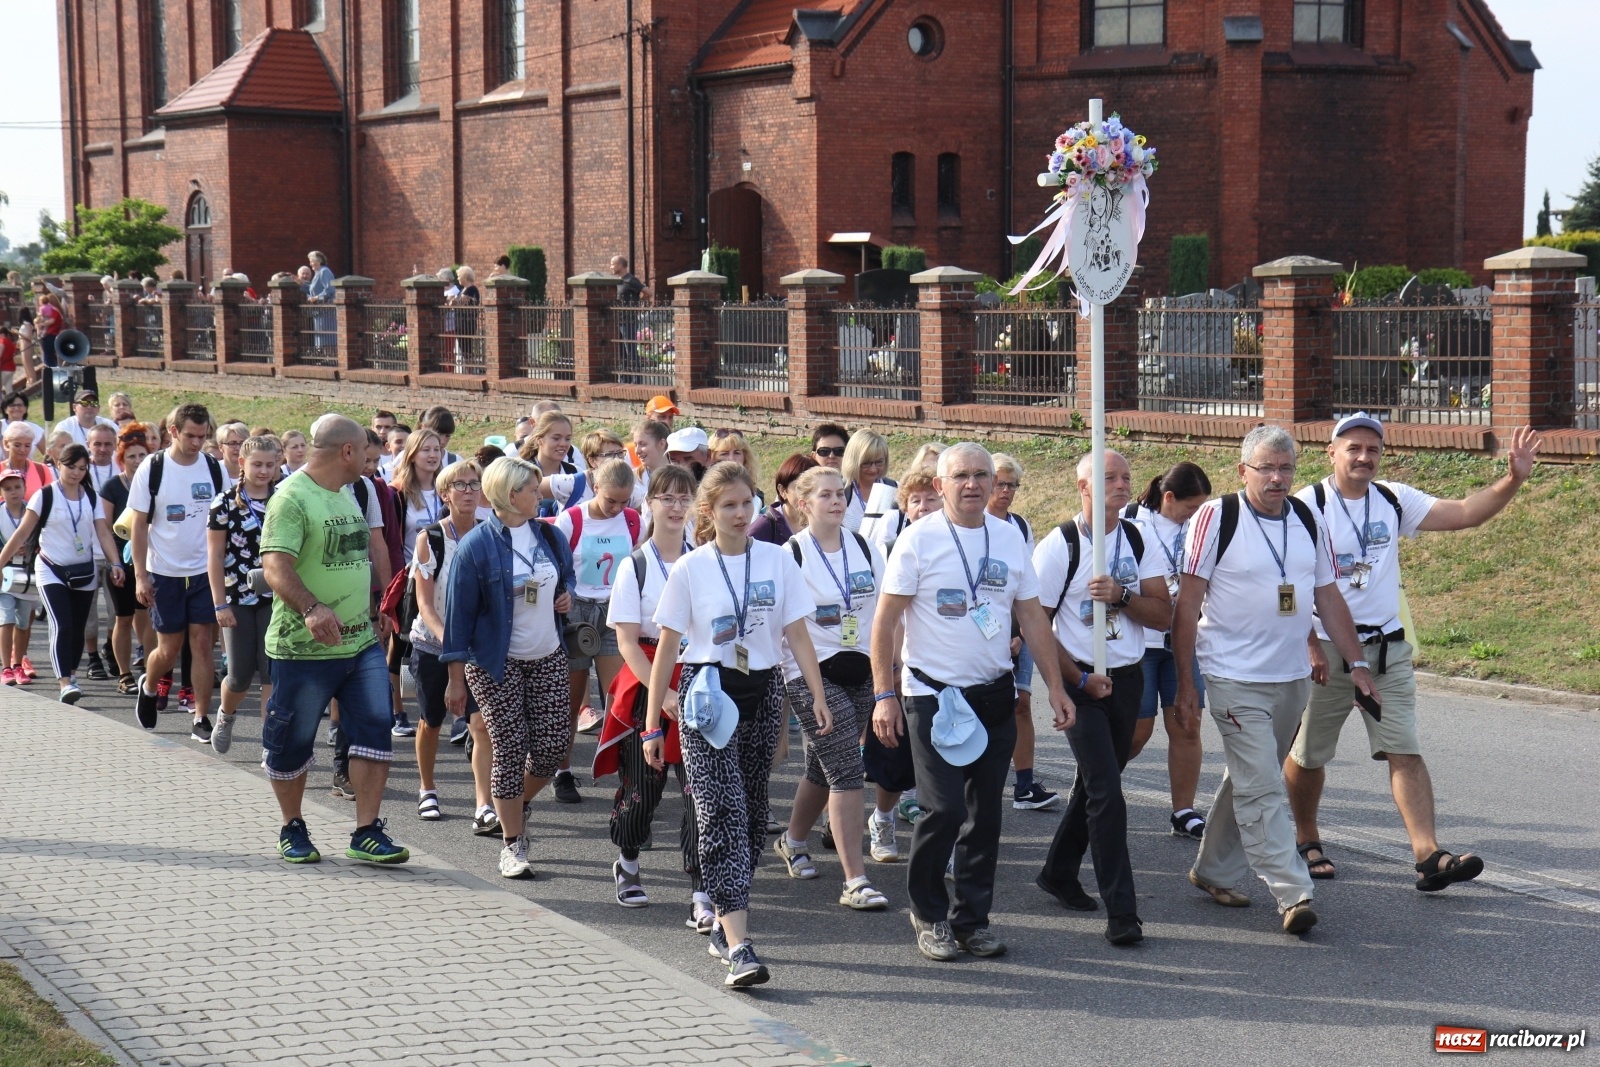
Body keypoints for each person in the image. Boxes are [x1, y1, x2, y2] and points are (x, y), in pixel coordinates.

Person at [1284, 415, 1540, 892]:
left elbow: (1466, 512)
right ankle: (1306, 837)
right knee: (1309, 753)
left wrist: (1512, 479)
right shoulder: (1306, 507)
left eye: (1373, 449)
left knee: (1404, 749)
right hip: (1324, 648)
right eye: (1354, 447)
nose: (1364, 457)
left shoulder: (1392, 499)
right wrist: (1305, 645)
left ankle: (1428, 855)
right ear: (1331, 453)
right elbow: (1288, 583)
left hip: (1387, 651)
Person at [869, 443, 1072, 963]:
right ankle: (928, 913)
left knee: (985, 817)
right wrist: (884, 695)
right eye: (960, 475)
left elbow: (1031, 619)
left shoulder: (1009, 538)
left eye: (982, 475)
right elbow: (885, 623)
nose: (973, 484)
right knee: (944, 808)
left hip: (993, 694)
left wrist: (1055, 685)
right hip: (932, 695)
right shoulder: (917, 542)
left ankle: (972, 920)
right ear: (940, 485)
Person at [1174, 425, 1378, 936]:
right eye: (1265, 468)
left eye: (1285, 468)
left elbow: (1327, 597)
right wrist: (1185, 683)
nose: (1277, 478)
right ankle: (1293, 892)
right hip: (1230, 674)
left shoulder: (1310, 518)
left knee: (1251, 773)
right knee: (1263, 784)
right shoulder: (1216, 517)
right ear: (1243, 470)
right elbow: (1187, 607)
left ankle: (1214, 870)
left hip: (1290, 677)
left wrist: (1356, 664)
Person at [643, 461, 829, 989]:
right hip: (708, 695)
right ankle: (741, 945)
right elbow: (666, 654)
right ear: (709, 512)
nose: (741, 514)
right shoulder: (691, 569)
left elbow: (795, 633)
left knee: (749, 815)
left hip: (765, 691)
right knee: (720, 811)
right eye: (729, 505)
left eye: (747, 503)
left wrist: (815, 696)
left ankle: (724, 923)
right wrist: (655, 725)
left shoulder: (777, 559)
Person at [1032, 451, 1171, 946]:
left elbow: (1163, 615)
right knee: (1108, 795)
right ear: (1083, 486)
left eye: (1126, 477)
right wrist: (1075, 677)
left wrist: (1122, 598)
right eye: (1108, 478)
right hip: (1081, 685)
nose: (1120, 485)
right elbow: (1035, 628)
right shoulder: (1059, 547)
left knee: (1097, 785)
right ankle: (1123, 912)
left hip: (1128, 678)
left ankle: (1058, 872)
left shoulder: (1138, 537)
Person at [260, 414, 409, 866]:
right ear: (347, 451)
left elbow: (358, 555)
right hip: (303, 647)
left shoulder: (349, 493)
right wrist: (311, 608)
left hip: (360, 641)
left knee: (373, 734)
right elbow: (275, 566)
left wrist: (379, 603)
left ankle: (366, 830)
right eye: (366, 449)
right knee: (293, 741)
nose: (371, 457)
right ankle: (292, 825)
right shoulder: (291, 499)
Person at [442, 457, 577, 880]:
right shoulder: (476, 546)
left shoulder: (550, 536)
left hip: (548, 654)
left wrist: (565, 597)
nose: (540, 495)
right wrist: (455, 679)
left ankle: (513, 804)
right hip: (495, 663)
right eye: (532, 490)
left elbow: (565, 578)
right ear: (509, 494)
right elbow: (458, 618)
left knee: (553, 747)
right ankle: (512, 844)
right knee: (510, 747)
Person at [776, 465, 892, 911]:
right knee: (846, 768)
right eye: (825, 495)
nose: (837, 501)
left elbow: (885, 614)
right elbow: (783, 627)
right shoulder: (791, 555)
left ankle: (792, 839)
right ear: (803, 504)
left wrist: (891, 672)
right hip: (810, 675)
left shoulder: (865, 546)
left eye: (840, 493)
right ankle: (855, 880)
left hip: (862, 669)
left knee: (822, 770)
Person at [599, 463, 697, 911]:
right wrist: (663, 696)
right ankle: (629, 859)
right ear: (650, 503)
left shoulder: (704, 559)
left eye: (684, 498)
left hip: (698, 679)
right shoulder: (634, 565)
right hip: (648, 682)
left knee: (700, 790)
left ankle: (702, 887)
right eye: (667, 498)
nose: (676, 508)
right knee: (643, 787)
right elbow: (625, 641)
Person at [128, 403, 229, 742]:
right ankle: (150, 683)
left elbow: (228, 519)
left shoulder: (214, 469)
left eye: (203, 436)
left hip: (204, 572)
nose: (197, 443)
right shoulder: (152, 468)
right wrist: (141, 576)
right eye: (190, 436)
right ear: (173, 431)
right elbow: (138, 526)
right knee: (168, 649)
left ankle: (201, 717)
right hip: (164, 572)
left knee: (202, 644)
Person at [0, 443, 126, 703]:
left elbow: (103, 531)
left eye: (82, 468)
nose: (76, 472)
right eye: (71, 466)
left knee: (78, 628)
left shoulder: (91, 496)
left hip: (83, 571)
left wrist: (116, 563)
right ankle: (64, 683)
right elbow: (22, 532)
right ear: (58, 465)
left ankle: (71, 672)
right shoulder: (45, 495)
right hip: (50, 568)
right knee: (62, 623)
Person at [1126, 461, 1212, 839]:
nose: (1195, 515)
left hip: (1183, 640)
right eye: (1191, 507)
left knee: (1187, 723)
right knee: (1137, 732)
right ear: (1169, 497)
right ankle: (1097, 780)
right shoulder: (1133, 522)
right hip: (1142, 642)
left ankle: (1184, 810)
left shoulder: (1199, 527)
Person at [408, 458, 493, 825]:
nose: (470, 491)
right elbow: (425, 605)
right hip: (433, 645)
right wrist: (450, 642)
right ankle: (427, 788)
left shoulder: (489, 533)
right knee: (432, 720)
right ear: (445, 493)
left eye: (475, 484)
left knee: (480, 723)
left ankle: (484, 803)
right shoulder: (431, 538)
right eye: (461, 485)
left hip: (476, 650)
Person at [552, 458, 642, 788]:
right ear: (596, 488)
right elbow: (556, 566)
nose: (617, 508)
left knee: (620, 698)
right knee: (572, 700)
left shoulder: (633, 521)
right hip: (577, 615)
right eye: (610, 501)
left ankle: (628, 776)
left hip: (614, 614)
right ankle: (562, 772)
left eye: (624, 501)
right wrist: (564, 595)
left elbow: (638, 564)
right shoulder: (571, 519)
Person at [986, 452, 1057, 812]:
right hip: (987, 630)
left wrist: (1020, 633)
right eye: (999, 483)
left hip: (1020, 628)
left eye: (1012, 485)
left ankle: (1025, 785)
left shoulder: (1020, 527)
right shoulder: (975, 527)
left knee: (1022, 704)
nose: (1006, 491)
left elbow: (1025, 589)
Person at [207, 435, 281, 755]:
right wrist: (219, 603)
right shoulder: (223, 502)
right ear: (242, 464)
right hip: (236, 597)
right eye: (257, 465)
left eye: (270, 464)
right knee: (238, 676)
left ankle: (269, 742)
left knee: (271, 671)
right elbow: (213, 556)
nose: (264, 471)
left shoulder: (284, 499)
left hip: (277, 597)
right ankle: (226, 715)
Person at [100, 425, 154, 693]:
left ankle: (148, 668)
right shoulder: (112, 487)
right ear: (122, 459)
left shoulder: (155, 484)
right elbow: (105, 528)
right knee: (123, 617)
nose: (137, 460)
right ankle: (124, 674)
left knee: (147, 616)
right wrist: (115, 564)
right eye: (131, 456)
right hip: (121, 563)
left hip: (149, 561)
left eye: (142, 455)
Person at [0, 468, 39, 686]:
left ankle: (18, 665)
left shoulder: (32, 513)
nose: (13, 492)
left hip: (28, 575)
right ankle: (6, 667)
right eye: (7, 488)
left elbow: (43, 539)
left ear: (25, 488)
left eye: (17, 487)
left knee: (24, 622)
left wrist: (31, 548)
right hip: (4, 574)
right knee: (5, 619)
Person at [542, 429, 628, 512]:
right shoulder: (571, 484)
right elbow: (531, 486)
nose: (617, 459)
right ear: (592, 461)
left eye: (620, 453)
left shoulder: (628, 487)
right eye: (610, 455)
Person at [748, 454, 817, 546]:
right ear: (782, 491)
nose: (808, 494)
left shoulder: (826, 525)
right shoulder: (763, 529)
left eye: (815, 488)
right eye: (800, 487)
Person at [520, 411, 577, 516]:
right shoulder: (522, 472)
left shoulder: (574, 472)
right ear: (539, 440)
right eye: (556, 438)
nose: (563, 444)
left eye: (567, 438)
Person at [841, 429, 895, 537]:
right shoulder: (840, 492)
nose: (873, 469)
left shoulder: (896, 489)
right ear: (853, 461)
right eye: (867, 463)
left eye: (879, 462)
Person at [708, 430, 765, 513]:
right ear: (711, 458)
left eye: (737, 453)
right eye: (724, 453)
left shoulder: (756, 497)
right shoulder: (703, 492)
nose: (731, 458)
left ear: (745, 458)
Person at [52, 390, 118, 448]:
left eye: (94, 403)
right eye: (84, 403)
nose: (89, 407)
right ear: (74, 407)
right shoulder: (65, 427)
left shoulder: (109, 426)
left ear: (98, 408)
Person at [2, 392, 46, 458]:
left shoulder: (35, 429)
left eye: (20, 405)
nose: (16, 408)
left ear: (25, 409)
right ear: (5, 409)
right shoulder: (1, 426)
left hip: (27, 467)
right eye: (12, 405)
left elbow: (48, 454)